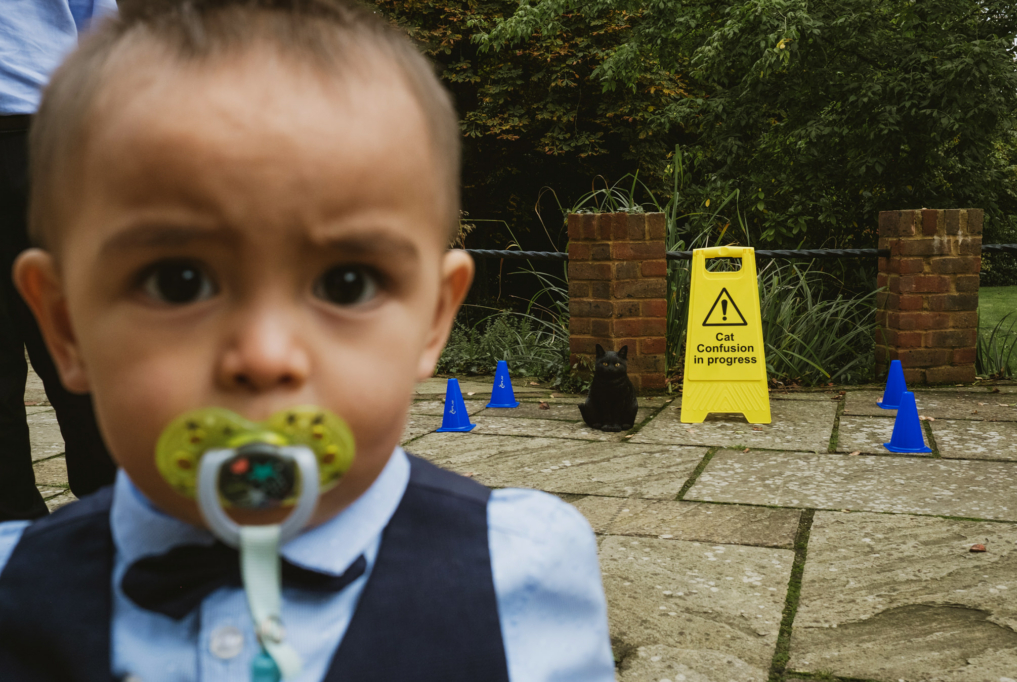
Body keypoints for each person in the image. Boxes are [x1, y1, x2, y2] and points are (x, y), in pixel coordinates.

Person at [0, 1, 616, 680]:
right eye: (177, 282)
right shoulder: (15, 593)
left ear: (433, 320)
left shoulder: (520, 579)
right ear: (66, 326)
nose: (265, 357)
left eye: (348, 283)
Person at [0, 1, 120, 521]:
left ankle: (123, 518)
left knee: (88, 342)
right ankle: (14, 538)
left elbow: (102, 30)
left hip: (44, 132)